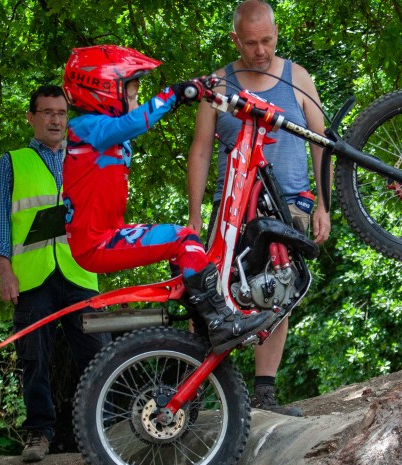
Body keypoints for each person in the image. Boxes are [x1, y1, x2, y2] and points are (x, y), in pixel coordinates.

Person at [61, 45, 271, 356]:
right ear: (102, 92)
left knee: (183, 248)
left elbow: (133, 123)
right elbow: (135, 122)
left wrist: (200, 90)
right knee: (184, 240)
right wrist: (175, 93)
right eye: (132, 94)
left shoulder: (99, 132)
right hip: (97, 244)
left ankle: (200, 314)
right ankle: (220, 322)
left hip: (106, 236)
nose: (136, 101)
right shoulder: (87, 129)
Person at [187, 0, 330, 417]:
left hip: (290, 205)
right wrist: (195, 215)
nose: (261, 50)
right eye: (251, 43)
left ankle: (265, 393)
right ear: (236, 40)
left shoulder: (297, 77)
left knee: (278, 293)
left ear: (276, 33)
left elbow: (323, 145)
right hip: (232, 209)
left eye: (267, 40)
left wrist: (324, 205)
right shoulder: (218, 84)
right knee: (213, 295)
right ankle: (194, 394)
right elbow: (200, 151)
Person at [0, 84, 107, 463]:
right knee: (34, 357)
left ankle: (106, 429)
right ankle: (39, 432)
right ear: (31, 117)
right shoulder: (12, 162)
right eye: (47, 113)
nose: (56, 120)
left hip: (80, 271)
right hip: (32, 276)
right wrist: (5, 271)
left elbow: (121, 160)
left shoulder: (85, 157)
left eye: (61, 113)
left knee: (98, 353)